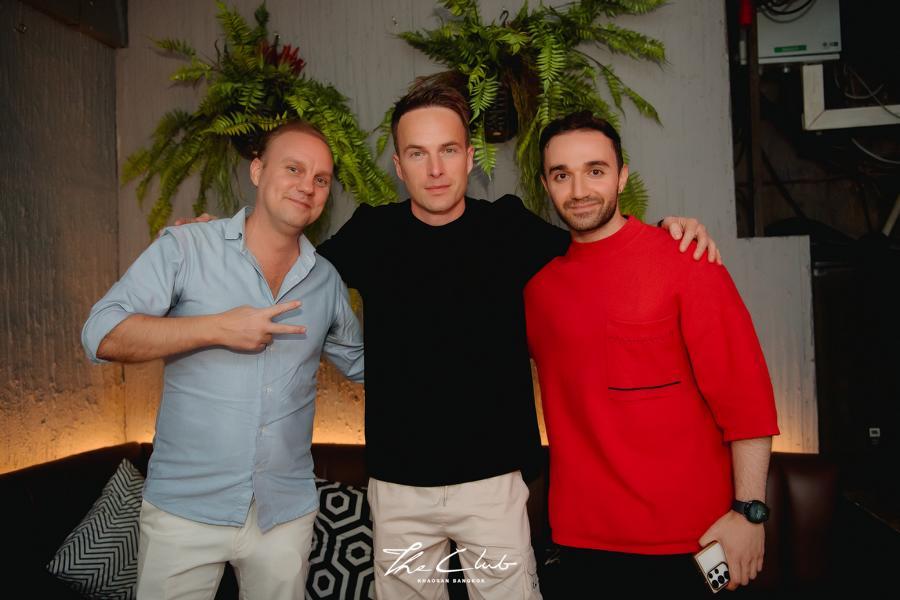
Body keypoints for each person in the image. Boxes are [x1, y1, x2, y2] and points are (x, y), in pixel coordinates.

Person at [175, 76, 720, 600]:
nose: (435, 169)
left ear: (469, 156)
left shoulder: (508, 226)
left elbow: (595, 243)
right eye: (418, 154)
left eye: (448, 150)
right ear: (398, 165)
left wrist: (667, 232)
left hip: (492, 487)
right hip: (398, 490)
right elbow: (287, 268)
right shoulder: (372, 233)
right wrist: (216, 241)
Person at [81, 121, 364, 599]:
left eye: (320, 178)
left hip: (284, 516)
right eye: (293, 169)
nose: (307, 186)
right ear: (257, 170)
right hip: (183, 511)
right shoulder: (188, 247)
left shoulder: (326, 281)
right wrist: (215, 327)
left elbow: (366, 365)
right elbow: (101, 335)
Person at [524, 111, 779, 596]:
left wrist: (749, 513)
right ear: (545, 185)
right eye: (561, 175)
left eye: (595, 170)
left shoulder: (687, 259)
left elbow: (746, 399)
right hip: (580, 541)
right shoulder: (537, 290)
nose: (579, 190)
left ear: (622, 176)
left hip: (694, 540)